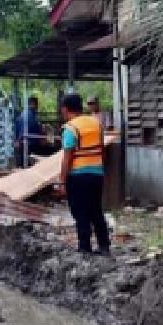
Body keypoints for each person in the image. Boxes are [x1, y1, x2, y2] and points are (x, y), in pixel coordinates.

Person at [57, 93, 110, 255]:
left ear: (65, 109)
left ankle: (85, 247)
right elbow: (101, 150)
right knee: (96, 210)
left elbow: (67, 158)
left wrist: (62, 181)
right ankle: (104, 245)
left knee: (80, 211)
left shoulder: (70, 129)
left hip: (78, 176)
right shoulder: (96, 124)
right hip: (96, 174)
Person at [15, 96, 44, 167]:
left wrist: (17, 139)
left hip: (24, 141)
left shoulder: (23, 114)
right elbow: (35, 128)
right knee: (28, 162)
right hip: (29, 142)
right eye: (36, 105)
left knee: (23, 162)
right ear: (33, 104)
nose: (37, 107)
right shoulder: (30, 115)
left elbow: (17, 128)